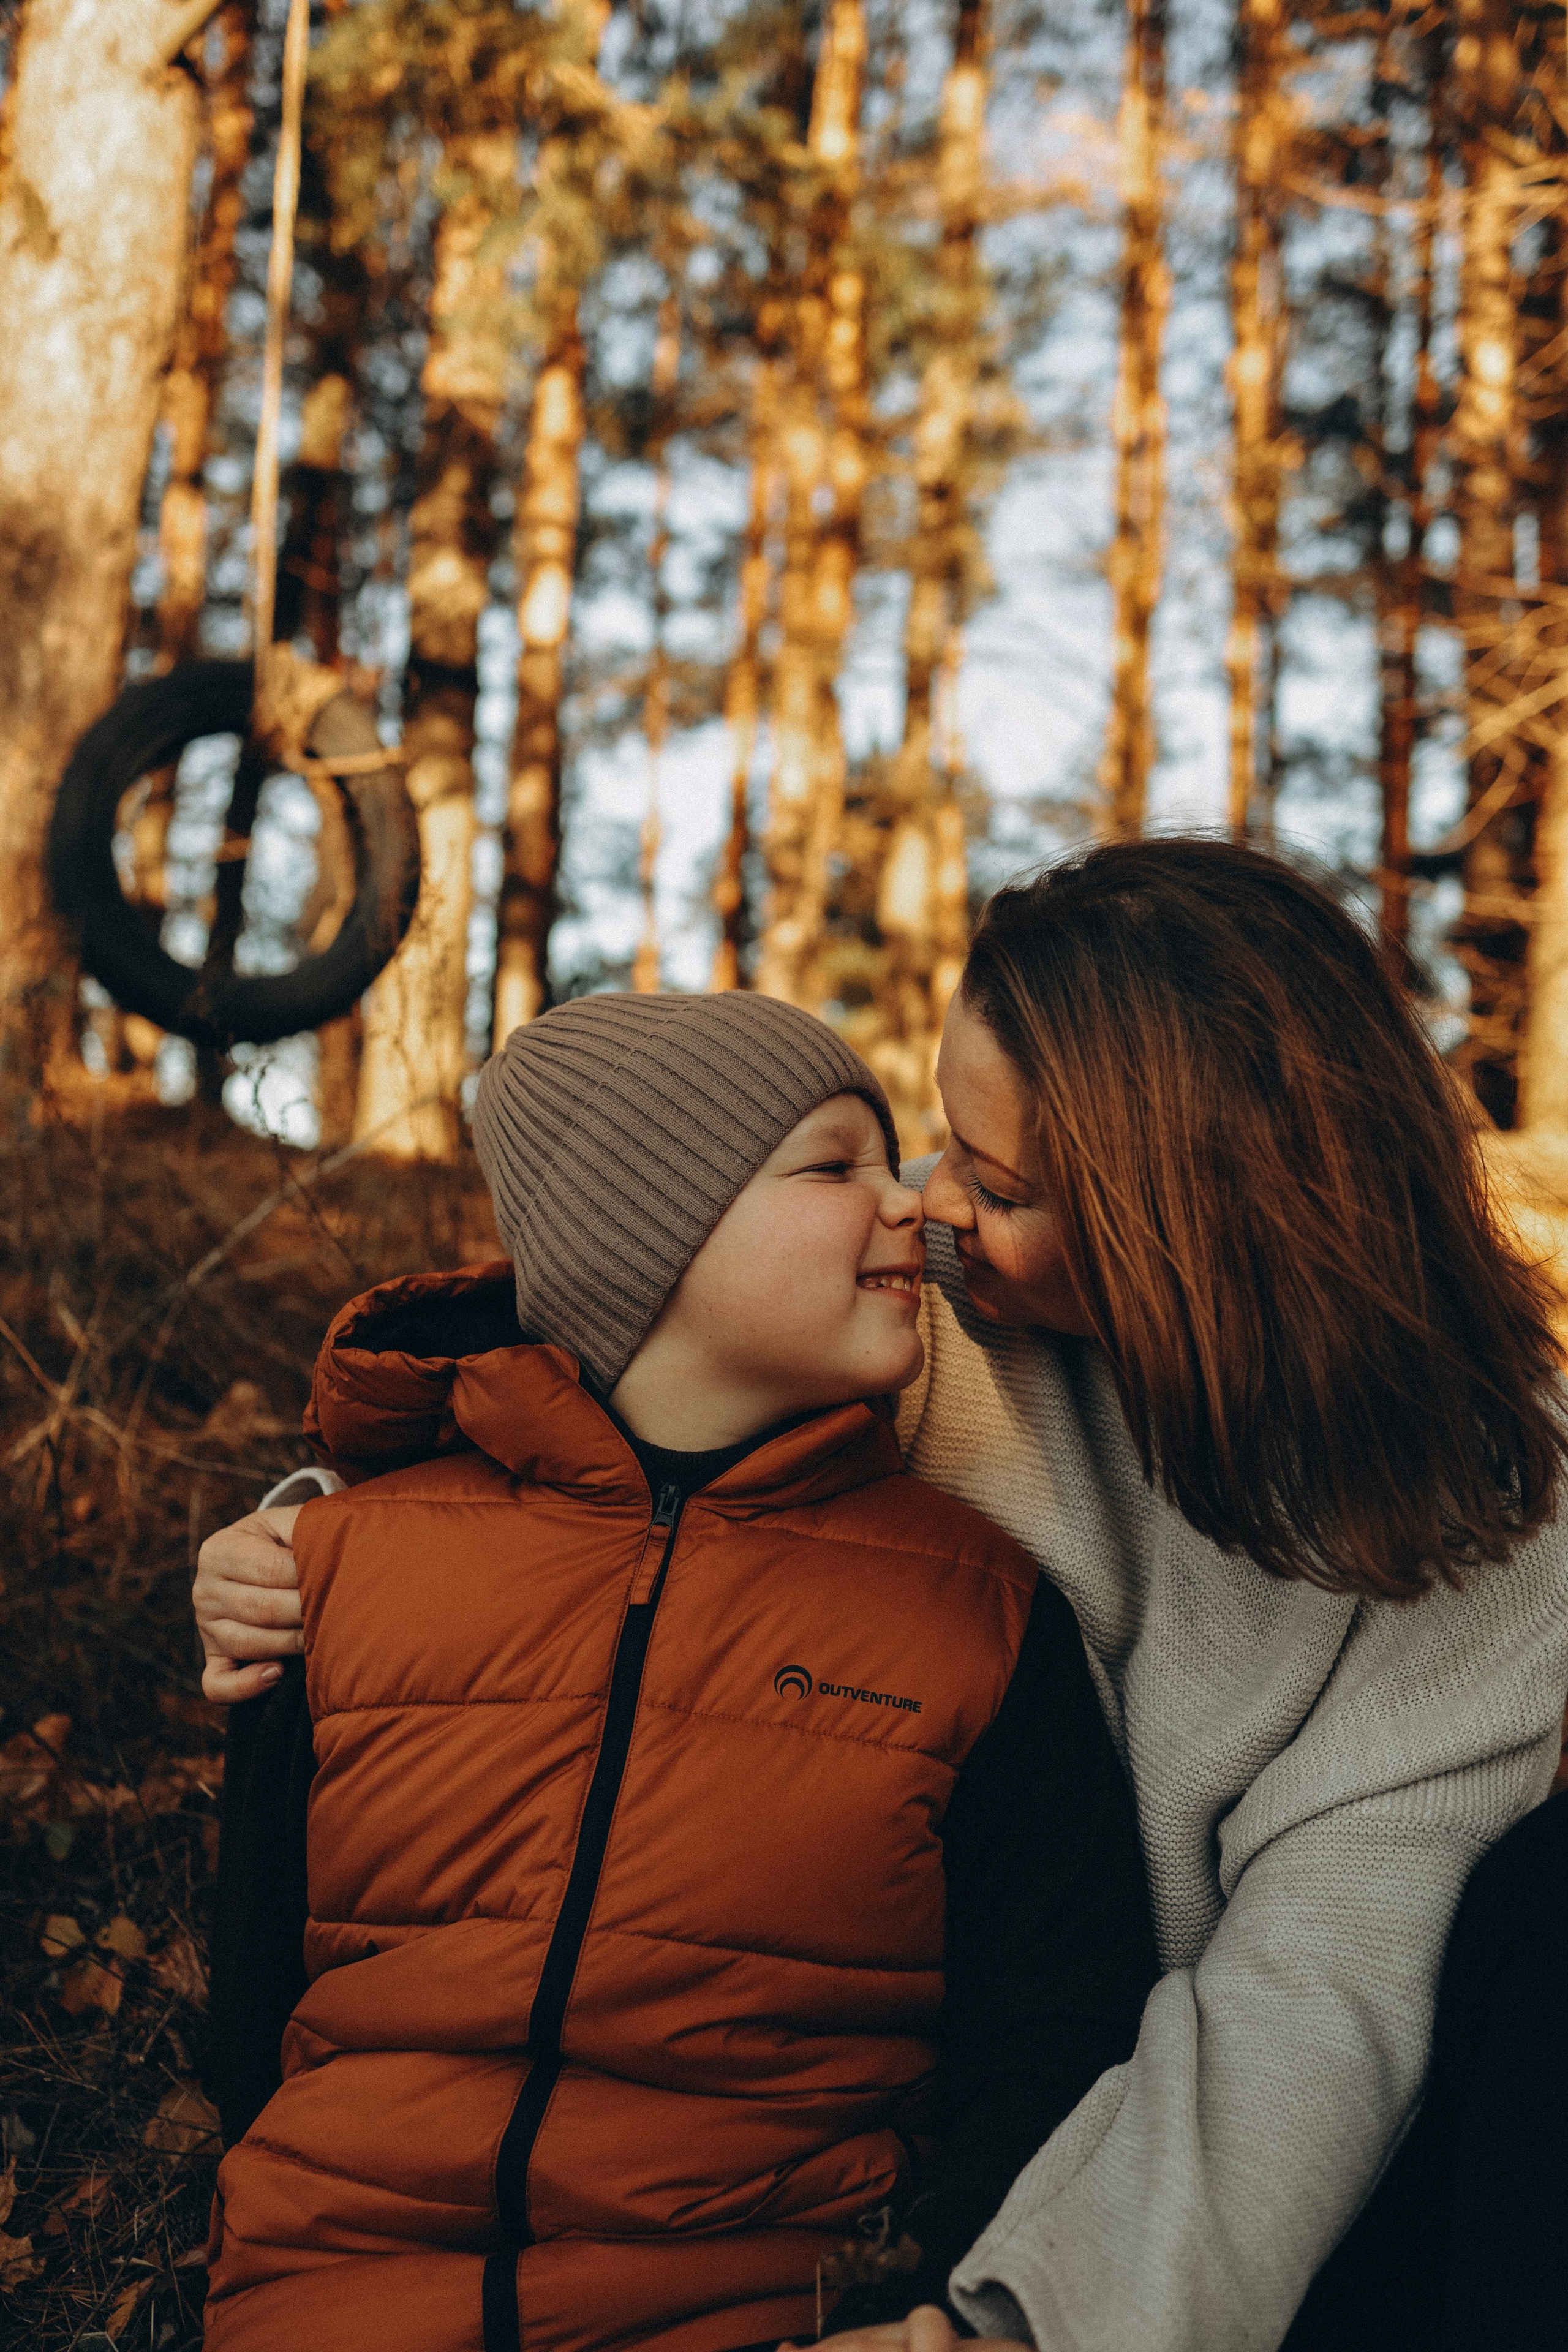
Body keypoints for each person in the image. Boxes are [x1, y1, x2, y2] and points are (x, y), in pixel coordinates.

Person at [197, 840, 1568, 2352]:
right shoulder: (919, 1308)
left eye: (1000, 1184)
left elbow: (1324, 1989)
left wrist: (1026, 2324)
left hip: (1272, 2172)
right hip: (938, 2083)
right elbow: (613, 1392)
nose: (929, 1204)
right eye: (936, 1143)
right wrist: (310, 1534)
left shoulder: (1497, 1498)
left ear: (1191, 1221)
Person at [200, 990, 1157, 2352]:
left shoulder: (976, 1611)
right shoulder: (347, 1567)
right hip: (336, 2303)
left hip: (756, 2313)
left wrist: (936, 2295)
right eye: (831, 1166)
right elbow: (256, 2005)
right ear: (643, 1238)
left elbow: (1054, 2028)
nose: (909, 1202)